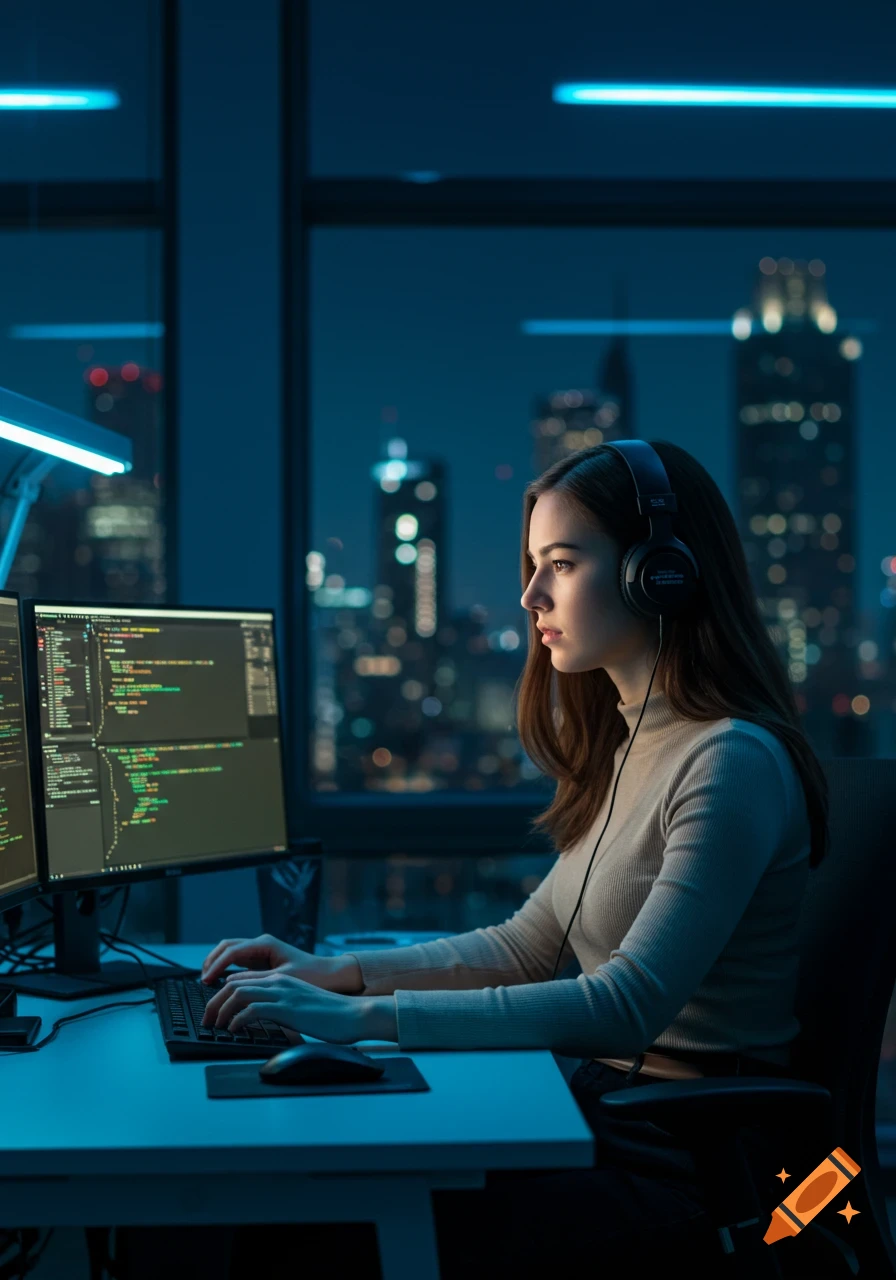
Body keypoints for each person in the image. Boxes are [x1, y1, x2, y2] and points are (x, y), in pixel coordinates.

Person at [121, 440, 832, 1277]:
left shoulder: (728, 759)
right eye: (535, 565)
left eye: (560, 564)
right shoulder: (635, 739)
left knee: (318, 1232)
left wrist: (362, 1024)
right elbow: (526, 947)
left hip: (694, 1155)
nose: (531, 595)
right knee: (309, 1188)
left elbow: (627, 1005)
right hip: (614, 1107)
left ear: (661, 572)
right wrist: (332, 975)